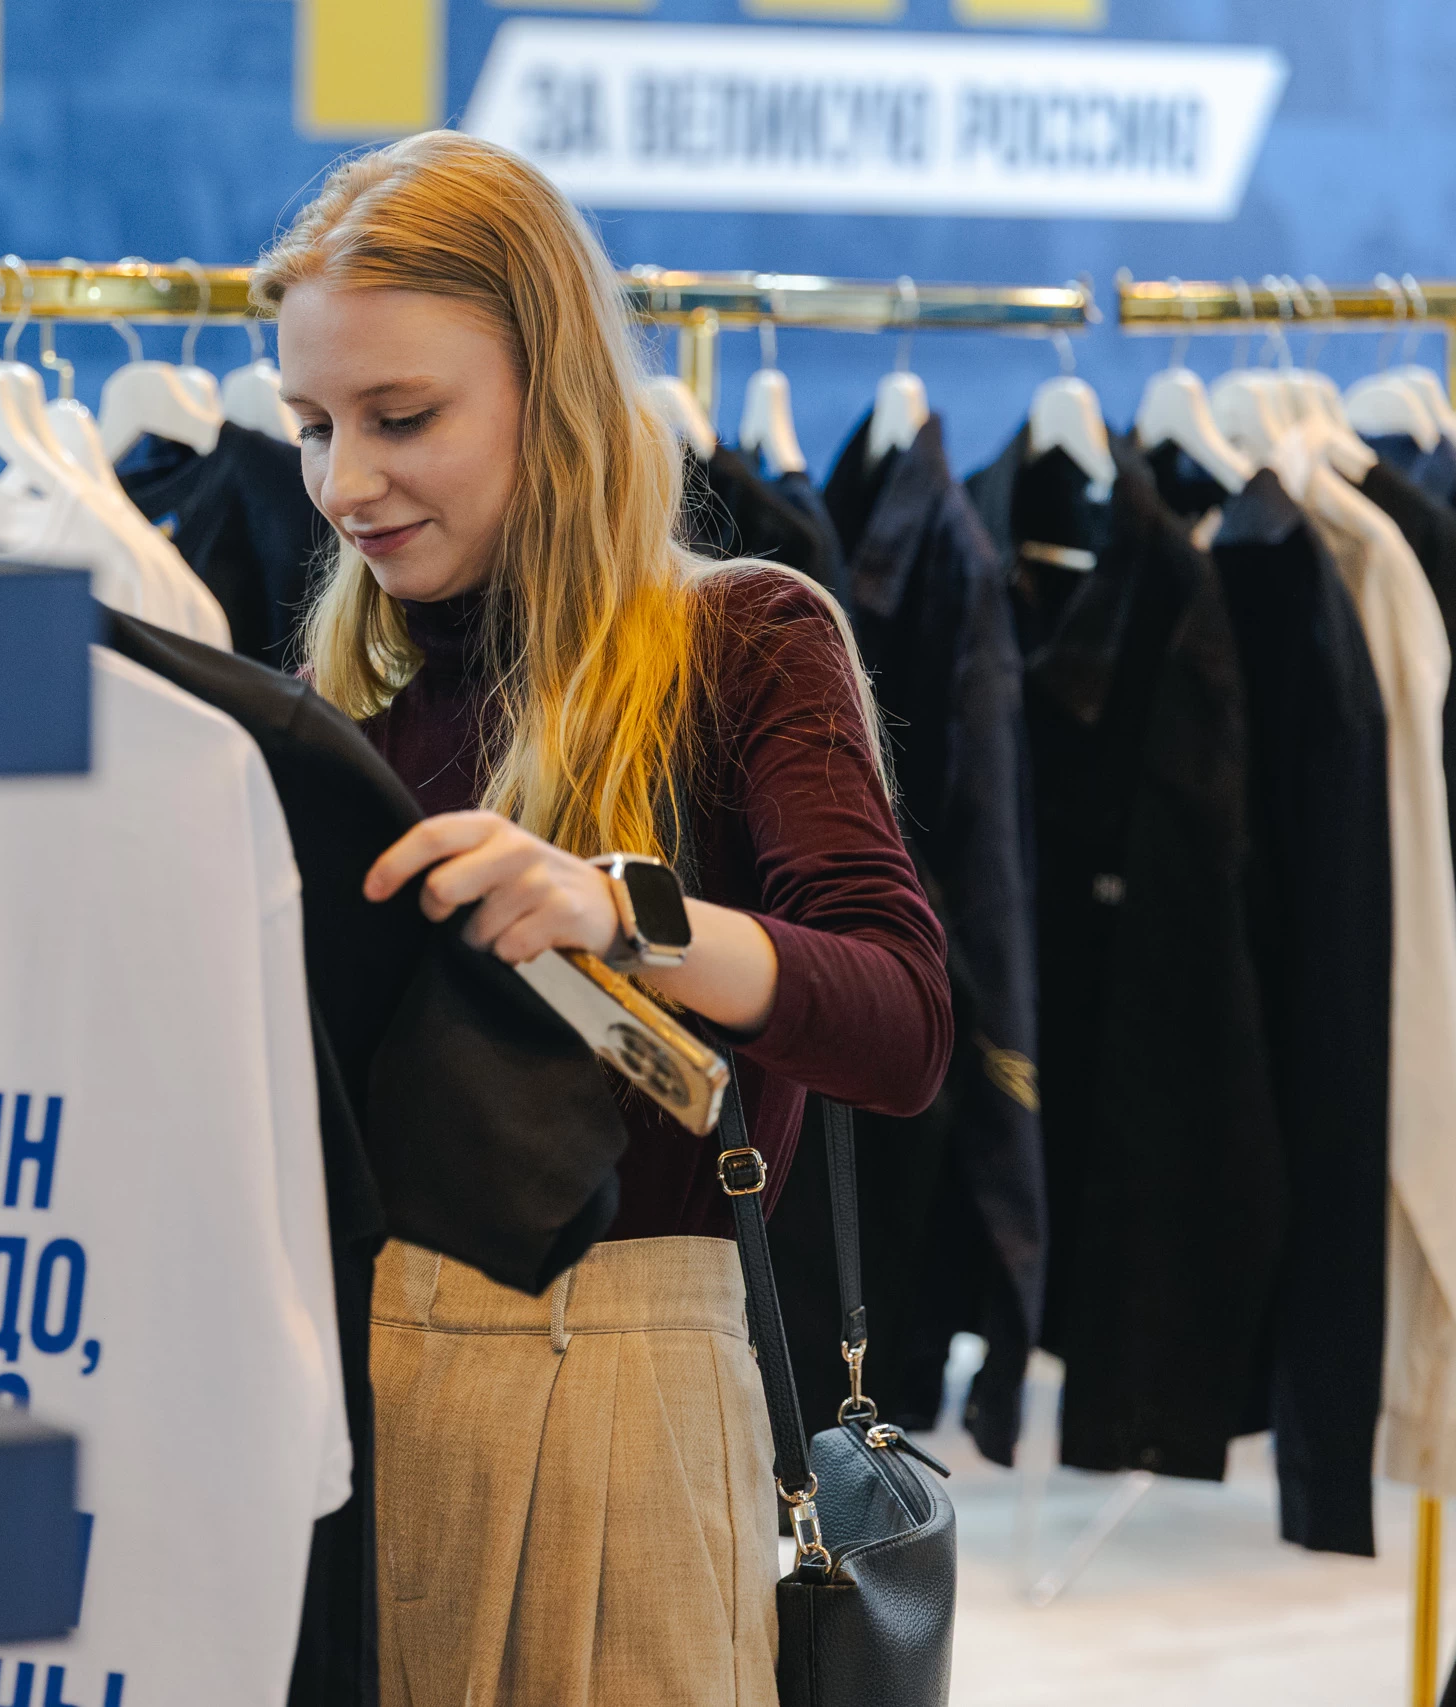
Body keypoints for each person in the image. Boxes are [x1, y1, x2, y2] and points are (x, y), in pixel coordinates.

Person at [255, 131, 952, 1705]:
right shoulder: (335, 706)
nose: (344, 482)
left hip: (627, 1402)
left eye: (401, 417)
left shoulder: (745, 641)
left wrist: (622, 912)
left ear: (552, 389)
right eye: (312, 426)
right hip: (352, 1406)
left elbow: (901, 1014)